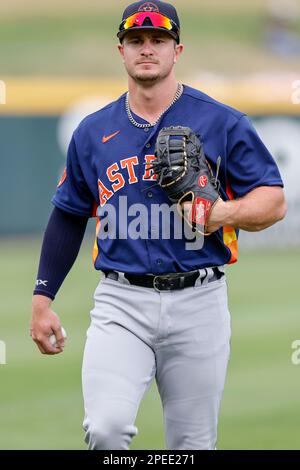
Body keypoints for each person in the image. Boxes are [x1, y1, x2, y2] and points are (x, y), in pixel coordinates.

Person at [30, 0, 287, 450]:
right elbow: (69, 213)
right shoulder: (92, 132)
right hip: (120, 300)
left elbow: (274, 201)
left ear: (177, 50)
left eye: (158, 40)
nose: (147, 49)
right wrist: (42, 297)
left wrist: (221, 213)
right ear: (122, 51)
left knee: (191, 444)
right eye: (136, 40)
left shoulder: (222, 122)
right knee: (106, 430)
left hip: (199, 300)